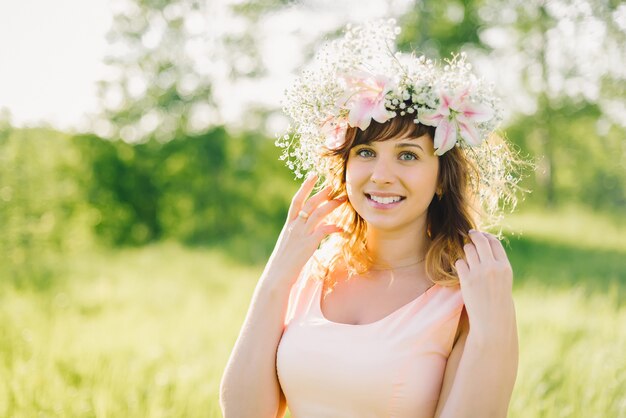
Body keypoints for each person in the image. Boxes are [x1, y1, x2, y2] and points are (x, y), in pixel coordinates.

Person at [220, 20, 522, 418]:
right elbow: (243, 412)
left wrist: (492, 330)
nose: (381, 174)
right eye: (365, 152)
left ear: (441, 181)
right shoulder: (313, 273)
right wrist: (277, 276)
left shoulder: (464, 298)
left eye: (408, 155)